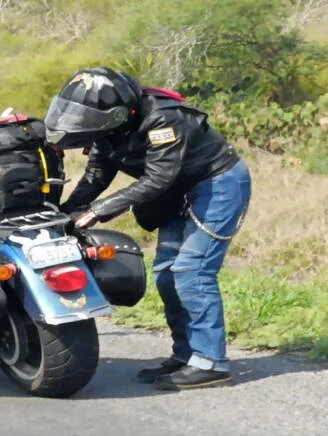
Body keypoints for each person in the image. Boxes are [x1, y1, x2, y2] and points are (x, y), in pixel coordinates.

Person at [43, 67, 251, 390]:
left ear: (114, 114)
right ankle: (187, 357)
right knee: (167, 273)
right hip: (177, 192)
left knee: (192, 271)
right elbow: (96, 176)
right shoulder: (110, 131)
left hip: (217, 186)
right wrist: (64, 212)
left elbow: (158, 179)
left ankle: (211, 363)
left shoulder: (164, 121)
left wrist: (97, 212)